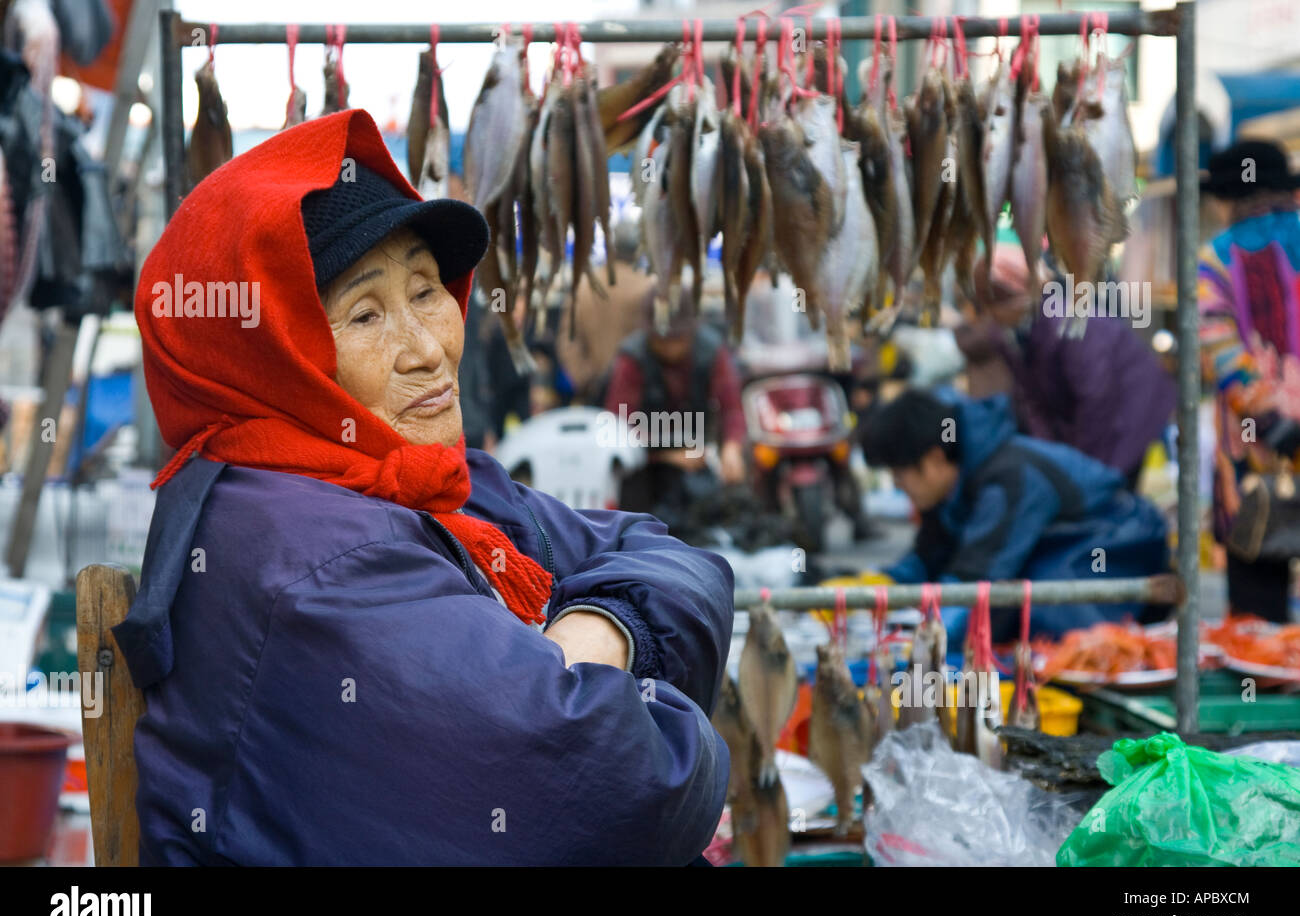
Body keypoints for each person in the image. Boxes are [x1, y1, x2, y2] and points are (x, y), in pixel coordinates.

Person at [113, 111, 732, 865]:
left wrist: (600, 631)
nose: (428, 349)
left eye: (428, 289)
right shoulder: (309, 557)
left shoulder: (413, 479)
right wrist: (674, 715)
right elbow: (630, 782)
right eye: (365, 314)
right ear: (271, 355)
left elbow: (670, 555)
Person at [861, 388, 1170, 654]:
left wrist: (925, 648)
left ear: (933, 459)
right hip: (1060, 552)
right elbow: (931, 556)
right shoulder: (953, 487)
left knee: (1028, 611)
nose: (899, 487)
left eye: (899, 475)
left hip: (1119, 546)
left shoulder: (1011, 480)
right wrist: (879, 584)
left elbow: (976, 582)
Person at [955, 246, 1176, 491]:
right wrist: (1052, 459)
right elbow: (1032, 399)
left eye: (993, 308)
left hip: (1131, 404)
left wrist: (1079, 468)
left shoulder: (1069, 326)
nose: (990, 317)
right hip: (1090, 412)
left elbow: (1095, 403)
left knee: (1109, 488)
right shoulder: (1008, 333)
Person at [1198, 140, 1300, 622]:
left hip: (1254, 462)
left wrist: (1273, 411)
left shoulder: (1214, 260)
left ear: (1226, 199)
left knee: (1259, 630)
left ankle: (1263, 690)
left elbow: (1222, 353)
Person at [604, 290, 747, 529]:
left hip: (699, 456)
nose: (671, 347)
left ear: (691, 331)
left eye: (678, 338)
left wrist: (732, 447)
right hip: (643, 468)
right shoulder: (631, 359)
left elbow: (731, 406)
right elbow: (617, 427)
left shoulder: (712, 351)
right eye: (663, 339)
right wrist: (669, 454)